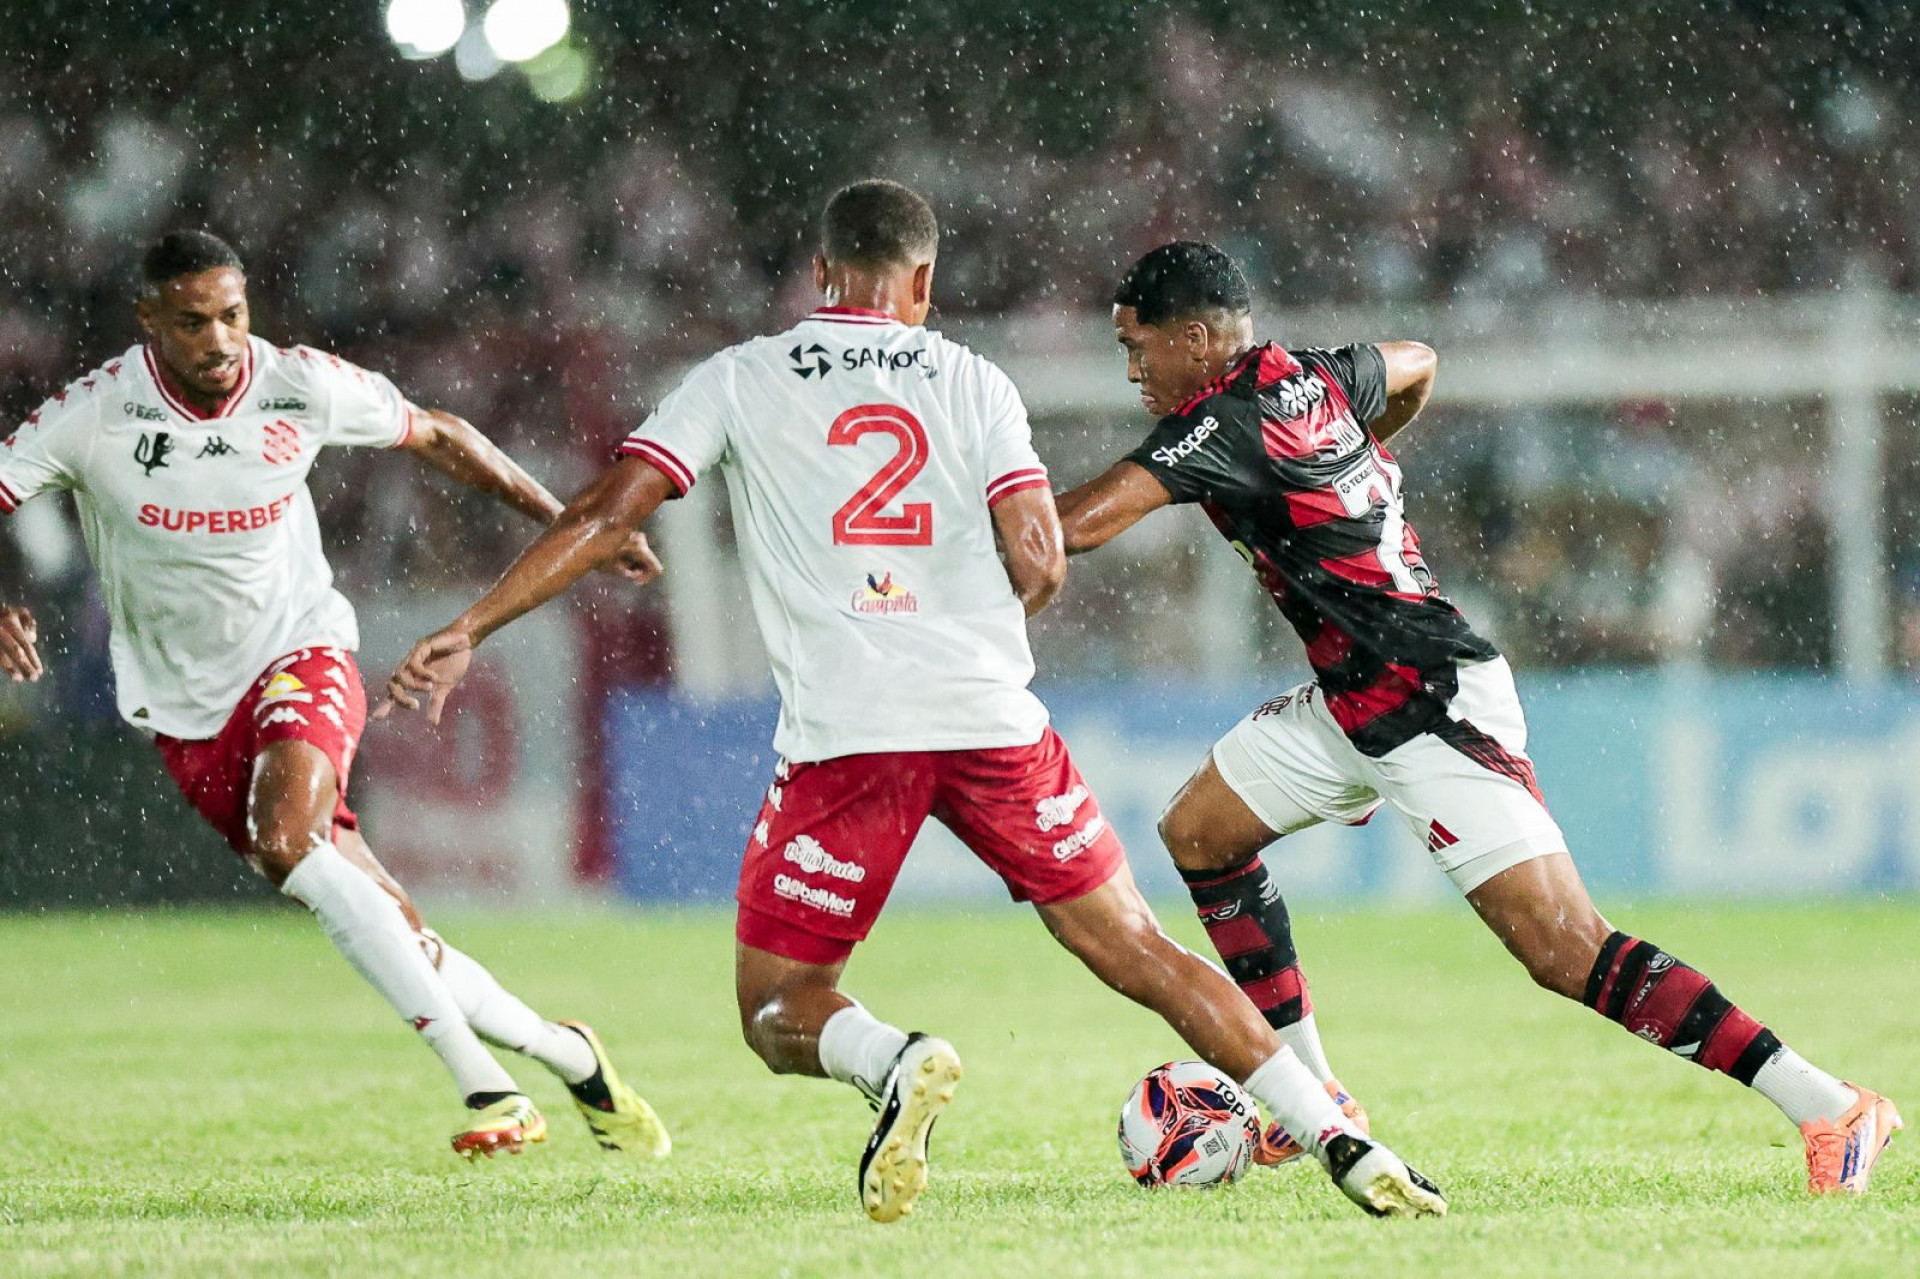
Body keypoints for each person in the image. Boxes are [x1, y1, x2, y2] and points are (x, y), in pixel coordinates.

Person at [382, 181, 1446, 1221]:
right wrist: (973, 596)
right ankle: (1343, 1138)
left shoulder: (741, 377)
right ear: (923, 280)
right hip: (993, 723)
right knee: (1146, 955)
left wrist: (468, 627)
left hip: (854, 735)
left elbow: (610, 513)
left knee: (778, 1008)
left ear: (821, 272)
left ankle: (896, 1060)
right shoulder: (973, 380)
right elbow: (1040, 559)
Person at [1051, 240, 1900, 1195]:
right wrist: (1366, 455)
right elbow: (1417, 360)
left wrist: (968, 513)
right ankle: (1318, 1100)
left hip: (1428, 698)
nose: (1131, 370)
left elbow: (1073, 525)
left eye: (1138, 346)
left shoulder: (1227, 421)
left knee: (1565, 948)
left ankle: (1830, 1103)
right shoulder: (1314, 379)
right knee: (1201, 832)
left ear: (1197, 339)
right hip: (1355, 696)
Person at [0, 230, 671, 1162]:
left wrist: (573, 526)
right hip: (186, 712)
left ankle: (492, 1088)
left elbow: (440, 433)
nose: (219, 340)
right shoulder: (96, 413)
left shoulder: (298, 383)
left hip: (301, 653)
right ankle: (572, 1053)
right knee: (385, 919)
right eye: (191, 322)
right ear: (148, 321)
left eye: (232, 315)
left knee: (290, 841)